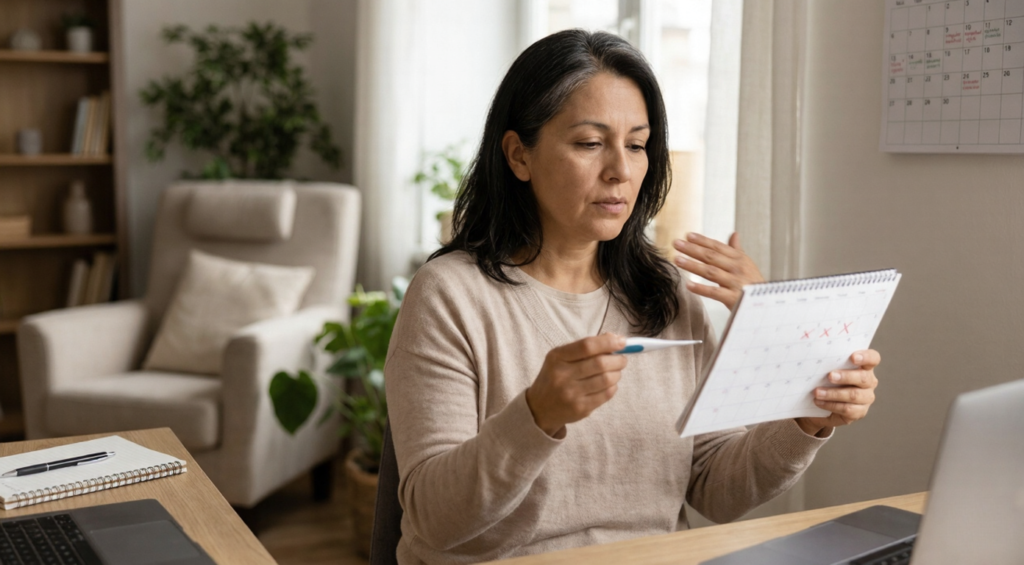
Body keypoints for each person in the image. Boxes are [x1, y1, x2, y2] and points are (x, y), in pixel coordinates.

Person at [383, 29, 880, 565]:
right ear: (518, 156)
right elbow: (433, 520)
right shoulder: (450, 295)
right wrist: (536, 415)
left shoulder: (665, 293)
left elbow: (713, 486)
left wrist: (806, 415)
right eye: (590, 143)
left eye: (638, 145)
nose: (621, 169)